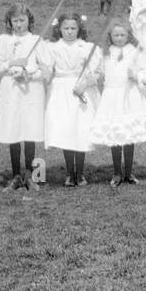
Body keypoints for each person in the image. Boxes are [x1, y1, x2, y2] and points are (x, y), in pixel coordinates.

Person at [89, 18, 146, 187]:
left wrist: (137, 76)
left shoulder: (135, 51)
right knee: (115, 134)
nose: (119, 38)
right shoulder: (105, 52)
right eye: (116, 35)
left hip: (130, 96)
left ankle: (128, 172)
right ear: (110, 36)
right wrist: (91, 76)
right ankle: (117, 173)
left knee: (129, 135)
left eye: (122, 34)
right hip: (112, 97)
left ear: (128, 35)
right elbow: (97, 71)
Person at [0, 5, 49, 192]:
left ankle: (31, 174)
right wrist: (11, 64)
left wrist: (30, 74)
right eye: (15, 21)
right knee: (13, 130)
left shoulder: (36, 40)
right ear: (9, 22)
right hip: (11, 90)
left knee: (30, 130)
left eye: (22, 20)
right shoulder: (4, 39)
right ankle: (16, 174)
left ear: (29, 21)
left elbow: (46, 69)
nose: (19, 24)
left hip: (31, 90)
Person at [44, 13, 100, 187]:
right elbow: (47, 68)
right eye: (66, 28)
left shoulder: (87, 47)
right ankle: (69, 172)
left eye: (73, 28)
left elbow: (96, 72)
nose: (69, 32)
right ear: (59, 29)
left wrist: (84, 84)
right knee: (66, 128)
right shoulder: (52, 48)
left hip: (80, 88)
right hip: (61, 90)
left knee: (80, 128)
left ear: (79, 29)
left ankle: (80, 173)